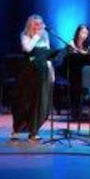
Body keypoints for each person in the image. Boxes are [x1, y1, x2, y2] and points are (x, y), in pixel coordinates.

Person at [12, 14, 58, 142]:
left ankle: (34, 131)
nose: (39, 26)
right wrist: (37, 35)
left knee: (40, 102)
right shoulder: (25, 34)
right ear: (30, 24)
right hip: (29, 73)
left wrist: (51, 71)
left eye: (40, 23)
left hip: (43, 72)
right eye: (36, 24)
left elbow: (47, 55)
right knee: (25, 102)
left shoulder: (45, 35)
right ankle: (17, 129)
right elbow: (27, 48)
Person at [65, 24, 90, 120]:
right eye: (83, 32)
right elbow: (67, 59)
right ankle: (74, 113)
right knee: (75, 92)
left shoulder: (87, 46)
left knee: (83, 91)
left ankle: (81, 112)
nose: (85, 35)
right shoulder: (71, 43)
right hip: (74, 72)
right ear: (78, 33)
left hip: (85, 74)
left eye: (86, 33)